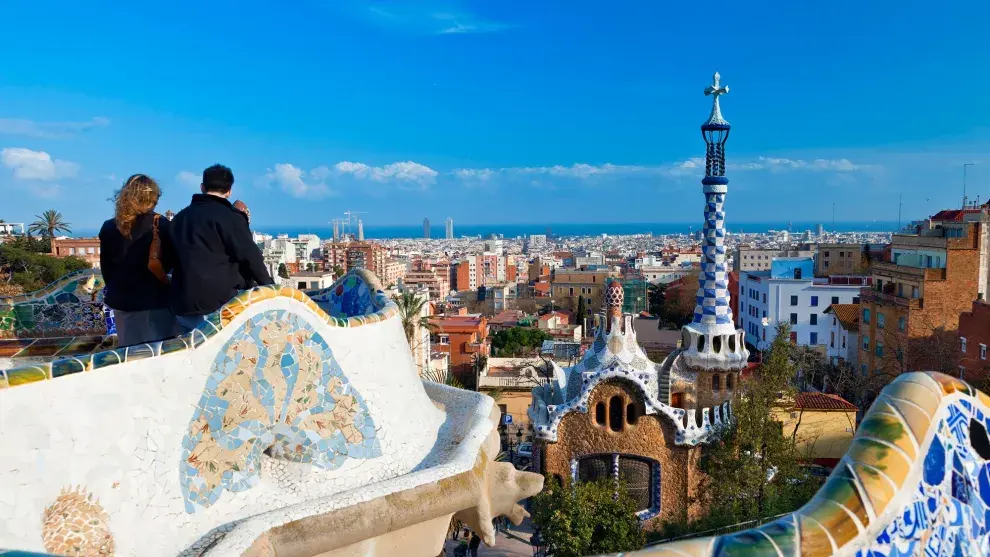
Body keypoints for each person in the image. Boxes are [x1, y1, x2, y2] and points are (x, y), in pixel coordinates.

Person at [169, 164, 273, 331]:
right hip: (220, 304)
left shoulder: (180, 219)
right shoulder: (231, 217)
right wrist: (270, 287)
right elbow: (250, 257)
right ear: (229, 191)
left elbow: (170, 259)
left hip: (183, 303)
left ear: (202, 187)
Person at [99, 174, 181, 346]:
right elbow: (175, 263)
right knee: (159, 358)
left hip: (122, 303)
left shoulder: (109, 227)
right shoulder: (160, 225)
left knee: (130, 357)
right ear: (152, 198)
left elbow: (106, 269)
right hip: (155, 303)